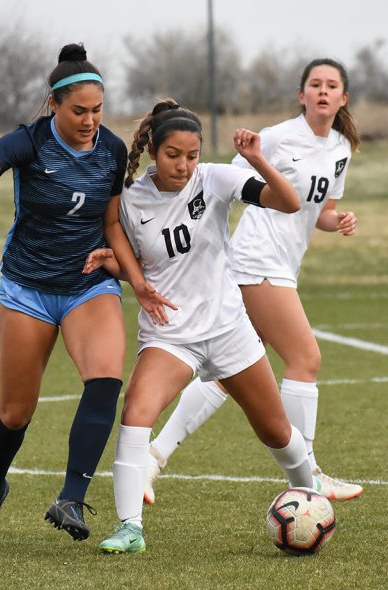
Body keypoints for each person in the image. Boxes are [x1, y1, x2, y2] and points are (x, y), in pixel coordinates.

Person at [0, 43, 169, 548]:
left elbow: (111, 222)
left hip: (88, 284)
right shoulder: (29, 142)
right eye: (78, 112)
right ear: (53, 104)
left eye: (97, 110)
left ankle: (71, 496)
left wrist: (134, 280)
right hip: (27, 287)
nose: (90, 120)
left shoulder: (111, 151)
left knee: (106, 378)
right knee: (15, 412)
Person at [88, 99, 316, 554]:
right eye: (174, 155)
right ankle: (130, 528)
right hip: (171, 335)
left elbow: (289, 202)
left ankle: (310, 500)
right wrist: (111, 264)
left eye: (191, 155)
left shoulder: (214, 178)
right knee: (135, 411)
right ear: (153, 149)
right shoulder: (131, 201)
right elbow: (139, 265)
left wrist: (257, 160)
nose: (184, 165)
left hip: (229, 329)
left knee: (276, 431)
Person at [145, 58, 363, 505]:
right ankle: (309, 473)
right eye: (314, 85)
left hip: (283, 265)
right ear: (301, 95)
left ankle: (154, 456)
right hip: (256, 259)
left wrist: (336, 220)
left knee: (229, 374)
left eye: (331, 86)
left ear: (344, 98)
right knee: (305, 356)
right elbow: (219, 186)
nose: (322, 91)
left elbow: (317, 211)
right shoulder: (280, 138)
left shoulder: (340, 148)